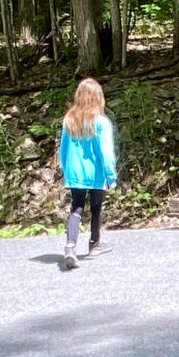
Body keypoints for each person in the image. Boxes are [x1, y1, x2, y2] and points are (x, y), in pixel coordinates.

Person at [57, 76, 117, 270]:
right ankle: (94, 243)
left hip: (75, 173)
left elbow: (63, 150)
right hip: (96, 173)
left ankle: (70, 246)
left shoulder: (69, 120)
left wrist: (66, 171)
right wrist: (111, 177)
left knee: (76, 208)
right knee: (96, 207)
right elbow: (106, 153)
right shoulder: (101, 122)